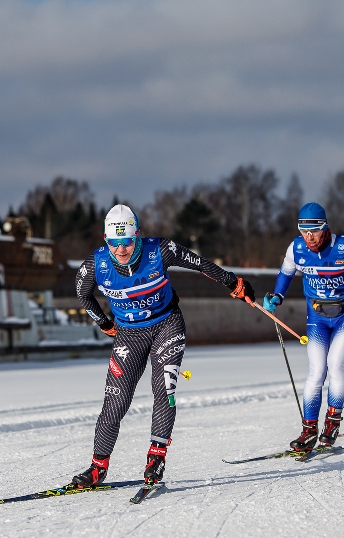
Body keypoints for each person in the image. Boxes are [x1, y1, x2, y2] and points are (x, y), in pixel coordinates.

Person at [71, 204, 254, 488]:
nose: (121, 249)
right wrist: (103, 323)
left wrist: (232, 282)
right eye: (114, 243)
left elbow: (199, 263)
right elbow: (82, 294)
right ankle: (97, 467)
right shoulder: (95, 265)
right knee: (115, 403)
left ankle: (156, 458)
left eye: (128, 241)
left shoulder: (160, 250)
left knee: (163, 388)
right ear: (105, 240)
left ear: (138, 236)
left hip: (166, 325)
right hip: (129, 335)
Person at [262, 202, 344, 453]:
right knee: (316, 372)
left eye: (314, 230)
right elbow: (286, 273)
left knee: (336, 364)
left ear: (325, 228)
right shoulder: (297, 248)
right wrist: (277, 296)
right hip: (317, 316)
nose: (309, 236)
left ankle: (332, 423)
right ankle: (308, 430)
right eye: (304, 231)